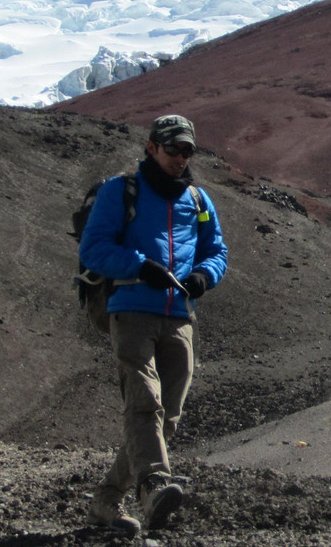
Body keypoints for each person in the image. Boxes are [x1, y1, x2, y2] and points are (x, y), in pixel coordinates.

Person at [80, 114, 228, 533]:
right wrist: (139, 266)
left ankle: (106, 503)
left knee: (170, 413)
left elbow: (216, 250)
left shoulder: (197, 201)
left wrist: (205, 275)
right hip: (129, 307)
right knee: (144, 399)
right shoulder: (120, 191)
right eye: (172, 149)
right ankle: (154, 485)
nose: (180, 158)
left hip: (179, 314)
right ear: (151, 147)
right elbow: (94, 248)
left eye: (187, 151)